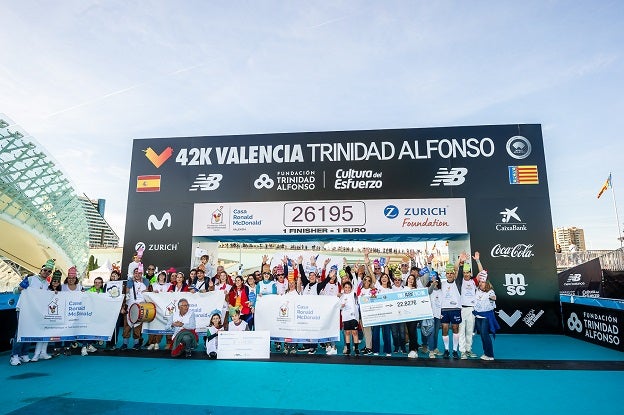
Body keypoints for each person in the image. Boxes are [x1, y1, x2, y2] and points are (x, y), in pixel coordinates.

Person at [10, 259, 56, 365]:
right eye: (45, 270)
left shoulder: (47, 284)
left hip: (35, 311)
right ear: (41, 270)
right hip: (23, 309)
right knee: (20, 332)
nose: (46, 272)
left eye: (49, 271)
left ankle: (24, 354)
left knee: (30, 331)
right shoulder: (30, 279)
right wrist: (20, 288)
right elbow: (15, 290)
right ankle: (15, 355)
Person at [456, 252, 483, 359]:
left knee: (470, 331)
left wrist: (477, 260)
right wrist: (460, 261)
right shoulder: (460, 281)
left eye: (468, 272)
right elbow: (455, 269)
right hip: (462, 309)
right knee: (461, 331)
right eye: (465, 272)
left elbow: (482, 273)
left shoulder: (474, 281)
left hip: (472, 309)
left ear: (471, 273)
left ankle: (468, 350)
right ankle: (462, 351)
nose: (466, 274)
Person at [433, 263, 462, 359]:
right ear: (445, 274)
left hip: (455, 309)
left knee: (455, 328)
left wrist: (459, 261)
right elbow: (434, 285)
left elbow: (457, 270)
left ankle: (454, 350)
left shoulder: (457, 282)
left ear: (454, 274)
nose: (449, 275)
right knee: (445, 329)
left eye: (451, 273)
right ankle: (446, 350)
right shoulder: (443, 284)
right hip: (444, 310)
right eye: (448, 273)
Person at [473, 270, 500, 361]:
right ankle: (486, 353)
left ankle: (490, 355)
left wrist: (492, 298)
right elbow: (479, 274)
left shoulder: (490, 292)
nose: (481, 283)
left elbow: (494, 297)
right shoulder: (477, 290)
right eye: (480, 282)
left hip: (486, 317)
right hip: (478, 316)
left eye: (483, 282)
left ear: (487, 283)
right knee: (482, 335)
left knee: (485, 334)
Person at [121, 267, 148, 350]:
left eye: (139, 273)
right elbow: (125, 295)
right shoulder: (129, 283)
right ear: (133, 274)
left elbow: (149, 294)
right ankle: (125, 344)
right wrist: (123, 307)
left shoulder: (146, 283)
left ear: (142, 274)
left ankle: (136, 344)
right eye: (135, 273)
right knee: (127, 326)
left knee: (137, 327)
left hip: (141, 308)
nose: (137, 274)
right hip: (129, 307)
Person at [372, 273, 393, 356]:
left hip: (387, 314)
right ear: (380, 280)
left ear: (388, 280)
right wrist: (368, 264)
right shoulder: (378, 287)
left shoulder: (391, 290)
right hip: (377, 313)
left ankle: (388, 350)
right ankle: (375, 350)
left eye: (386, 277)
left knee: (387, 332)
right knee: (375, 332)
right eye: (382, 277)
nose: (384, 278)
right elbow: (373, 276)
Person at [339, 281, 360, 355]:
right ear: (343, 288)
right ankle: (348, 349)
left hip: (354, 317)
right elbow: (339, 307)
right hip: (345, 317)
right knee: (347, 332)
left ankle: (356, 348)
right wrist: (342, 306)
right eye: (345, 287)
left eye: (349, 287)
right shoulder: (341, 297)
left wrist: (353, 274)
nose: (347, 289)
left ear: (351, 288)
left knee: (354, 332)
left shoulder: (353, 294)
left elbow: (356, 282)